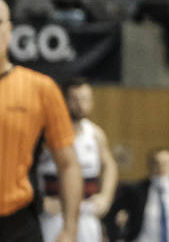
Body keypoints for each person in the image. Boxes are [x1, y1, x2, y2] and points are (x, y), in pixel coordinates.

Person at [0, 0, 81, 242]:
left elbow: (68, 164)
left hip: (18, 225)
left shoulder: (41, 89)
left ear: (9, 29)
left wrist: (70, 229)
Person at [36, 79, 117, 242]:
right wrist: (39, 201)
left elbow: (109, 165)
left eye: (85, 99)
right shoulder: (43, 134)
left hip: (86, 212)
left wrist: (106, 196)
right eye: (75, 99)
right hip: (52, 212)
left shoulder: (95, 134)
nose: (81, 105)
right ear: (63, 100)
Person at [105, 149, 169, 242]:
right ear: (149, 166)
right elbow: (110, 213)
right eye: (157, 163)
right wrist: (116, 237)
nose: (161, 167)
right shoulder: (135, 190)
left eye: (166, 164)